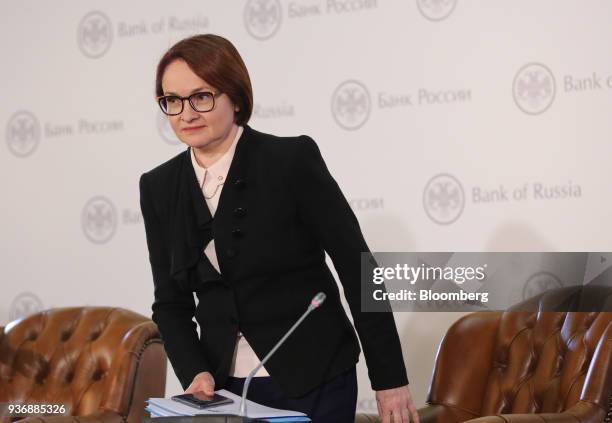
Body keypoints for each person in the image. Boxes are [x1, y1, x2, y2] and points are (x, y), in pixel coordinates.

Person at [139, 33, 419, 423]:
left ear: (235, 97)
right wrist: (195, 373)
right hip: (221, 388)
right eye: (171, 101)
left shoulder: (290, 161)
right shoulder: (158, 188)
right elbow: (170, 303)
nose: (186, 113)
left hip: (314, 375)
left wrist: (389, 380)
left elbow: (359, 269)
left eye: (201, 96)